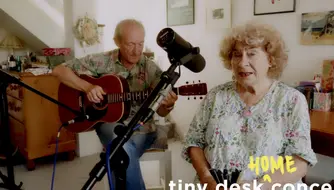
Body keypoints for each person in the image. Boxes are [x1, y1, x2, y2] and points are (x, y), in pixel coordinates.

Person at [181, 20, 318, 190]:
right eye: (237, 55)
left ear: (271, 59)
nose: (242, 62)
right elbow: (194, 143)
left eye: (252, 54)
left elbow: (300, 162)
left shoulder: (291, 100)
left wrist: (257, 187)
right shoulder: (216, 96)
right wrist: (207, 179)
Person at [52, 19, 178, 190]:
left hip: (142, 131)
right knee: (119, 144)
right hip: (109, 127)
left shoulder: (151, 69)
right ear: (117, 42)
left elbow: (162, 112)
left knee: (119, 152)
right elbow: (59, 70)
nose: (136, 51)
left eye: (140, 44)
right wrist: (88, 87)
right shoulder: (103, 61)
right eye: (130, 44)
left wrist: (168, 104)